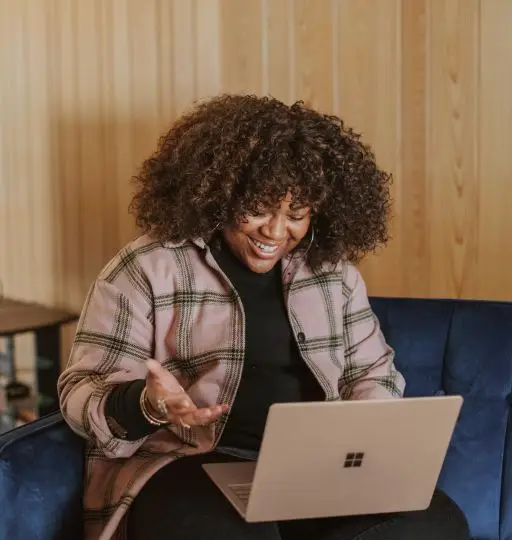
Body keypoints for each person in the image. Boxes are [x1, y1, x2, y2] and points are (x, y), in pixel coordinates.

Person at [58, 95, 469, 540]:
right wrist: (147, 403)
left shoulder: (335, 275)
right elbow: (80, 392)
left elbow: (372, 373)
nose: (275, 232)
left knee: (437, 524)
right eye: (257, 209)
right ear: (220, 194)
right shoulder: (147, 268)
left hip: (315, 470)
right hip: (190, 464)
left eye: (296, 215)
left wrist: (364, 436)